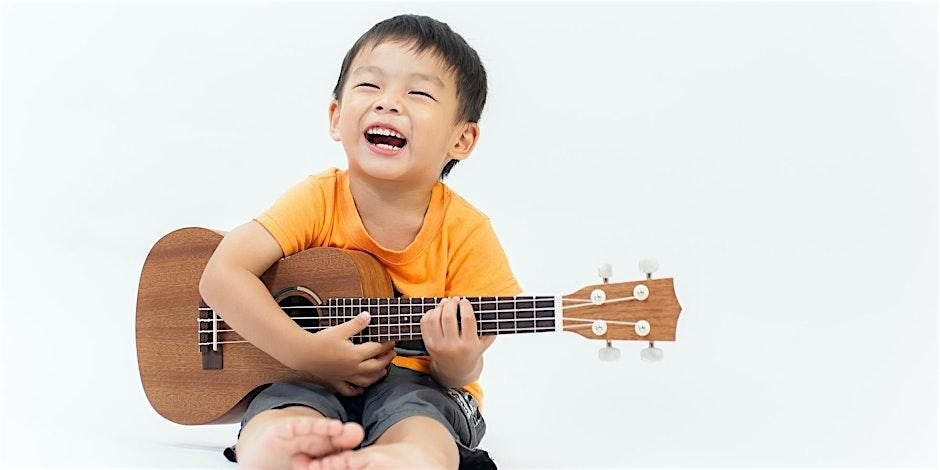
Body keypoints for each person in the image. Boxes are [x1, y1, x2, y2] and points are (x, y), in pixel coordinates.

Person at [198, 13, 521, 470]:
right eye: (370, 86)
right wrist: (303, 351)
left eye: (419, 93)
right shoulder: (317, 199)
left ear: (462, 138)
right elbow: (221, 275)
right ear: (336, 117)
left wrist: (457, 360)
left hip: (421, 386)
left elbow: (461, 372)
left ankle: (402, 459)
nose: (388, 103)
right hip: (308, 376)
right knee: (281, 409)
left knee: (423, 418)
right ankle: (277, 451)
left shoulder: (467, 232)